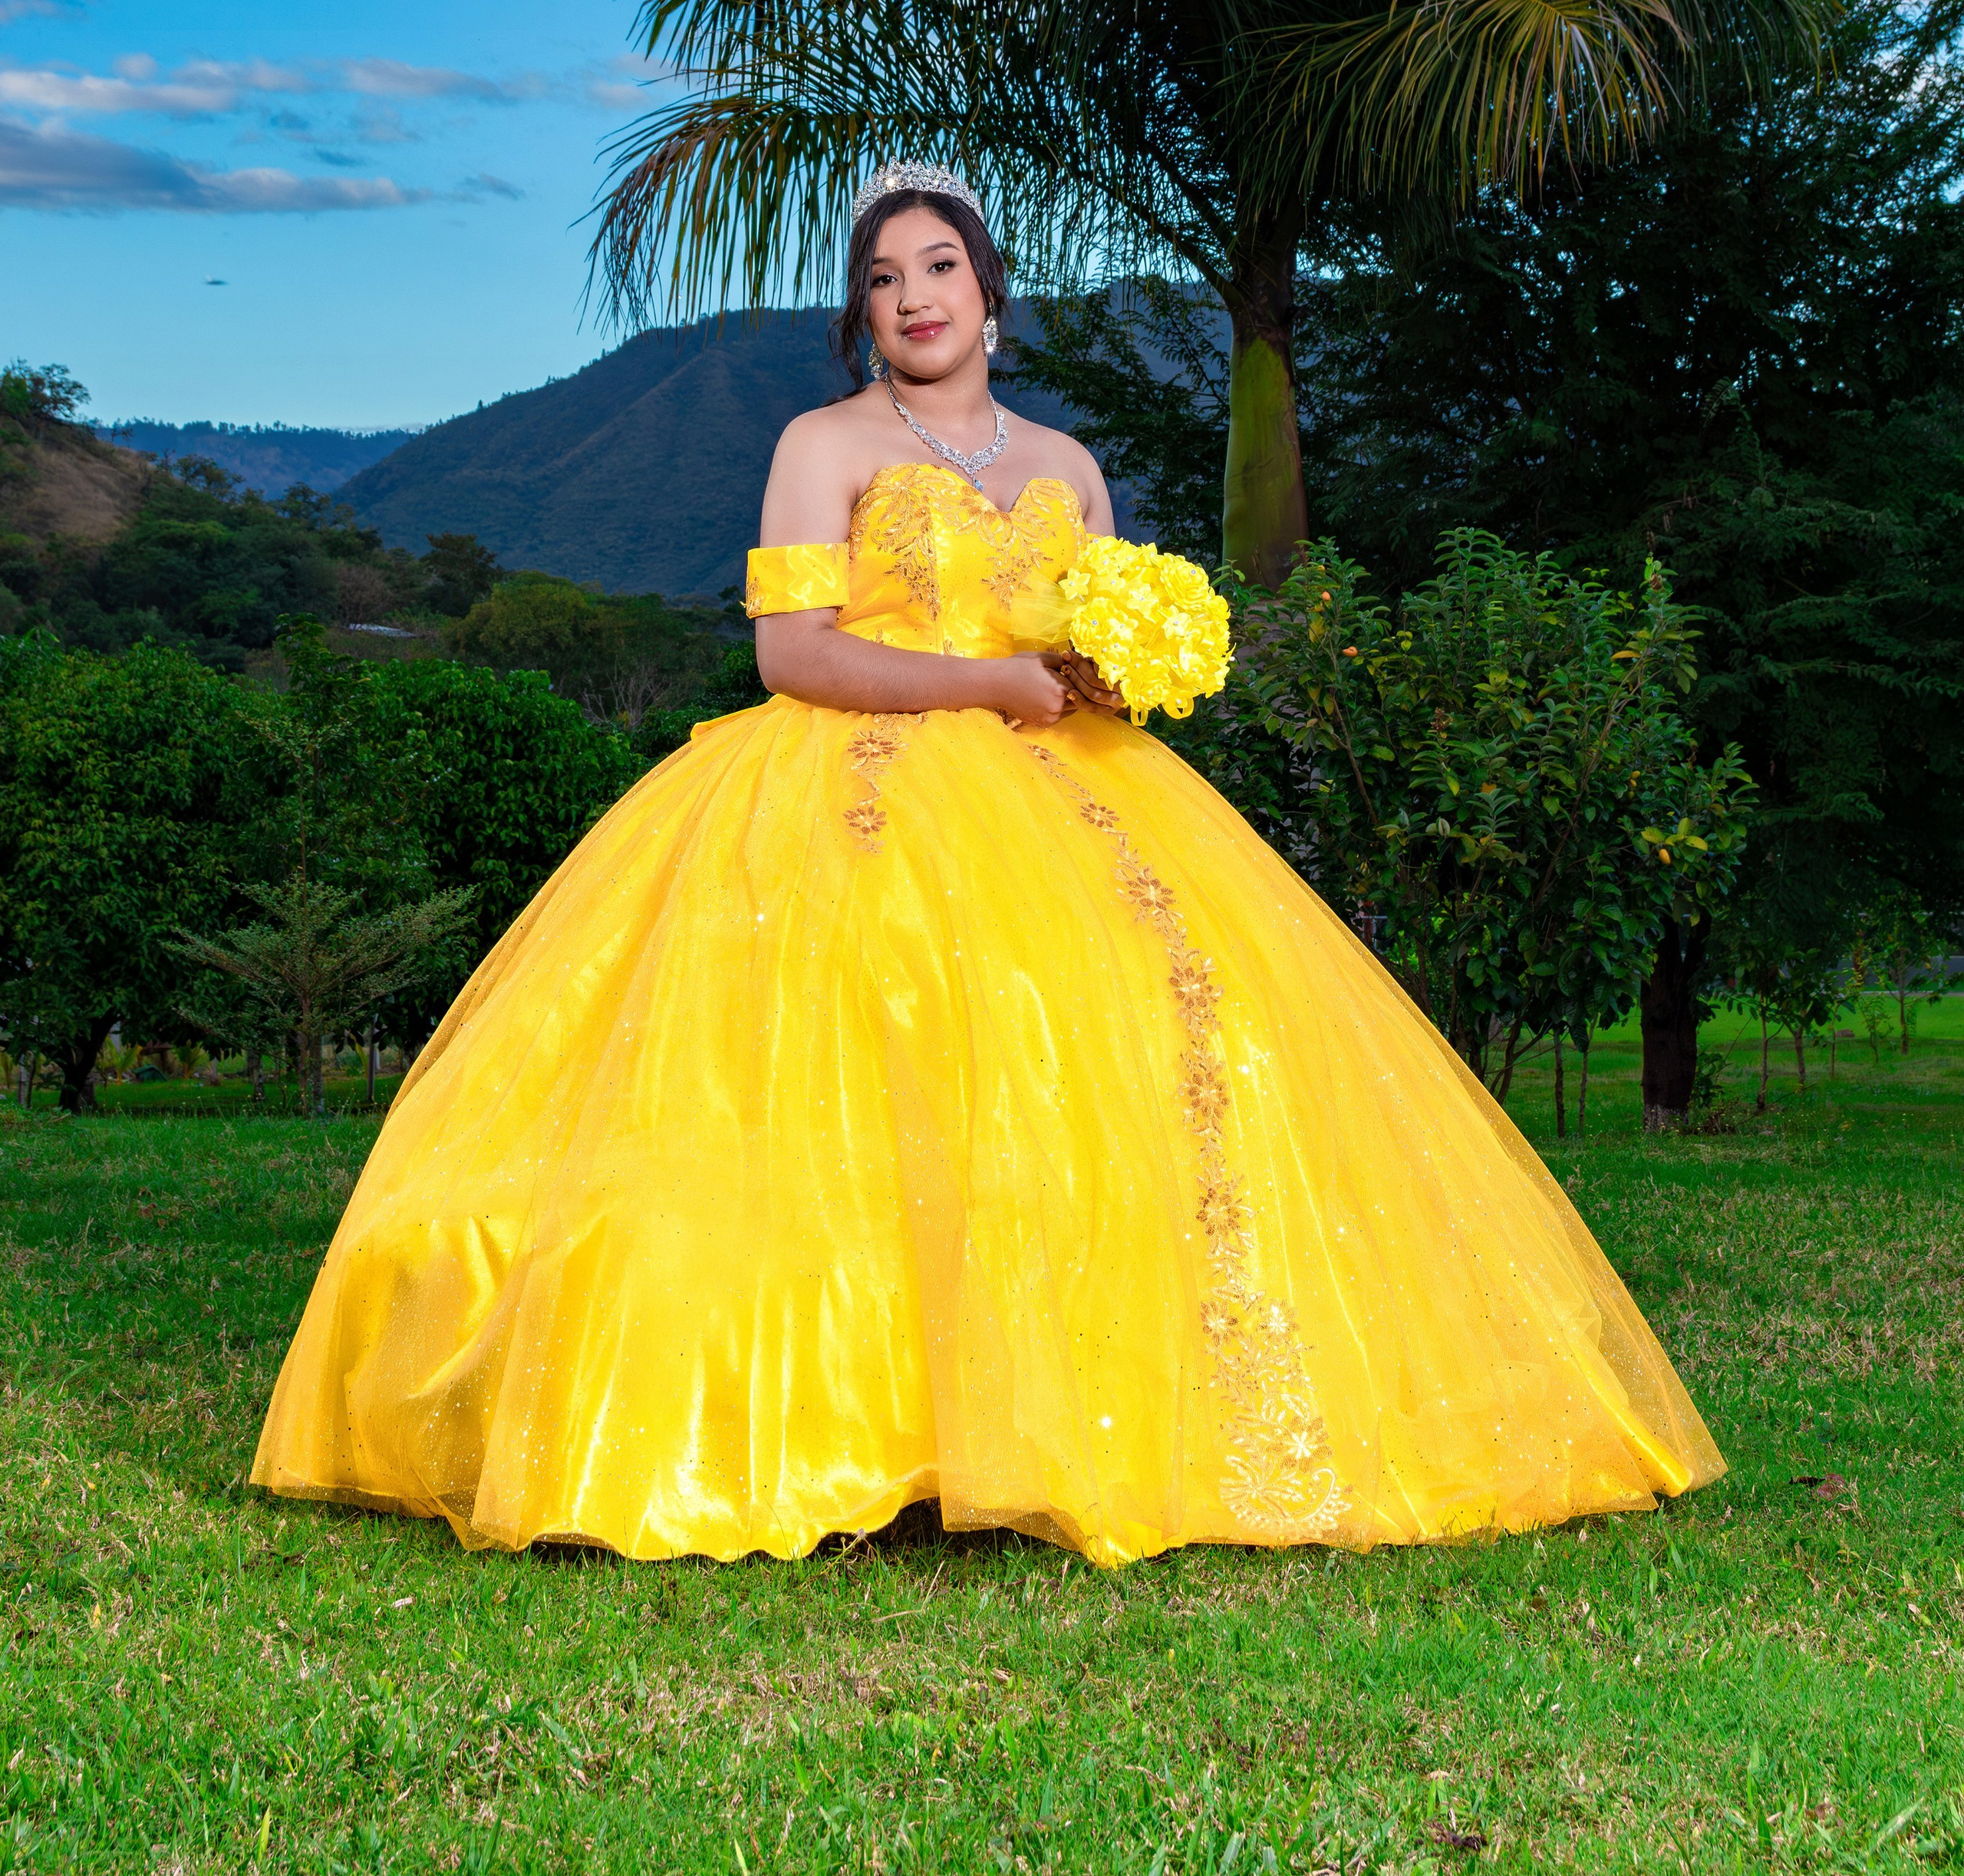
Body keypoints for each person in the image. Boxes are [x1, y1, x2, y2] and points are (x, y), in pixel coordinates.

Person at [253, 161, 1722, 1564]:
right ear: (863, 312)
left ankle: (1111, 1410)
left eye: (939, 265)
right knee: (845, 1080)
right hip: (852, 790)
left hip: (1068, 800)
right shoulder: (822, 446)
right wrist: (989, 689)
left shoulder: (1068, 467)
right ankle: (862, 1428)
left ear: (990, 292)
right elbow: (790, 653)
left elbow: (1085, 651)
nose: (914, 295)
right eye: (884, 277)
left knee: (1132, 1060)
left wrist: (1119, 674)